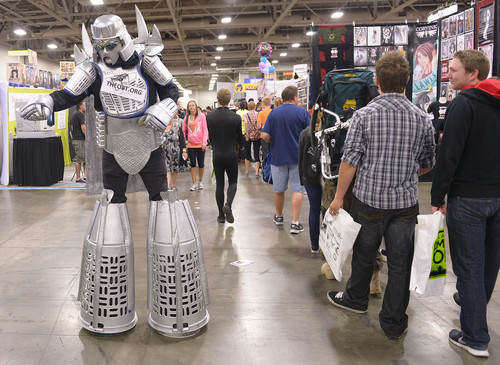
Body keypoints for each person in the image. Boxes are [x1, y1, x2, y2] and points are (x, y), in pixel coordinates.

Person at [18, 8, 211, 336]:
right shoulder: (92, 69)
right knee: (110, 209)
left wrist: (164, 108)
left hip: (149, 147)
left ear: (123, 39)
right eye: (101, 45)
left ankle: (175, 305)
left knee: (165, 206)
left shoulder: (147, 60)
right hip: (112, 150)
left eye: (111, 44)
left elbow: (173, 92)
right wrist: (49, 103)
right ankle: (110, 308)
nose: (106, 52)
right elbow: (68, 94)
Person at [327, 51, 435, 340]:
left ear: (377, 81)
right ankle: (394, 322)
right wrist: (407, 173)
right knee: (400, 264)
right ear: (407, 80)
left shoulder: (363, 116)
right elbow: (427, 163)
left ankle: (356, 299)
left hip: (369, 199)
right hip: (405, 204)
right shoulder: (422, 118)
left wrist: (338, 198)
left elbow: (349, 162)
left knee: (364, 254)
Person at [431, 50, 500, 358]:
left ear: (473, 74)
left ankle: (475, 337)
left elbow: (450, 155)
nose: (449, 75)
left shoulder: (463, 104)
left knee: (469, 269)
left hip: (468, 198)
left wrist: (436, 197)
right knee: (488, 266)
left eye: (455, 70)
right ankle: (474, 318)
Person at [261, 85, 311, 234]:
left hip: (278, 157)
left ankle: (279, 216)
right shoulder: (302, 112)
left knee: (279, 190)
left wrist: (273, 140)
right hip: (298, 158)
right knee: (297, 190)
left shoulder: (274, 112)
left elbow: (264, 135)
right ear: (295, 97)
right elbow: (310, 134)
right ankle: (295, 223)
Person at [206, 88, 244, 223]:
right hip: (231, 154)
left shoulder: (209, 117)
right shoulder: (236, 117)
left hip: (217, 154)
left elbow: (209, 137)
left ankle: (221, 216)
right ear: (229, 101)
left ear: (217, 100)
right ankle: (228, 205)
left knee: (219, 185)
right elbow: (240, 138)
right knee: (233, 182)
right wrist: (242, 147)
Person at [298, 125, 321, 252]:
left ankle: (314, 245)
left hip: (310, 175)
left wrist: (302, 178)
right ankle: (330, 246)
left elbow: (301, 157)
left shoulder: (305, 133)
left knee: (314, 209)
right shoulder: (333, 129)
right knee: (330, 212)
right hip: (329, 177)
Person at [183, 100, 208, 191]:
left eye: (193, 105)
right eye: (189, 105)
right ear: (188, 107)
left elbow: (205, 130)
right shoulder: (186, 117)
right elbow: (184, 131)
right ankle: (194, 183)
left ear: (196, 106)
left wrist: (204, 142)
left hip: (200, 144)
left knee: (201, 164)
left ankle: (200, 181)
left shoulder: (202, 116)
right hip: (190, 144)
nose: (191, 107)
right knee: (193, 164)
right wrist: (184, 144)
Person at [164, 113, 187, 190]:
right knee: (167, 169)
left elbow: (182, 140)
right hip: (164, 151)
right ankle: (167, 187)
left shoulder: (177, 126)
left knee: (174, 168)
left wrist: (184, 151)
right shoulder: (162, 127)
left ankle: (173, 185)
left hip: (176, 151)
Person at [70, 100, 86, 182]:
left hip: (78, 139)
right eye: (84, 105)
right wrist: (88, 137)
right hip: (79, 140)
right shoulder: (80, 115)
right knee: (79, 159)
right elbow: (83, 128)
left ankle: (86, 176)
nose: (86, 107)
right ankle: (78, 178)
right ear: (80, 107)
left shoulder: (75, 114)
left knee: (84, 159)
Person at [244, 101, 261, 177]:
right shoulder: (258, 114)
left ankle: (247, 171)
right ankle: (257, 172)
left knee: (247, 153)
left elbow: (246, 123)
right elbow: (259, 124)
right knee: (256, 153)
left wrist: (247, 134)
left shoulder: (246, 115)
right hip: (256, 135)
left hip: (248, 135)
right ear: (255, 107)